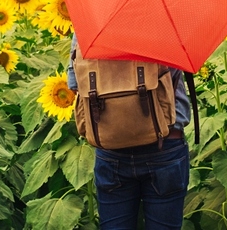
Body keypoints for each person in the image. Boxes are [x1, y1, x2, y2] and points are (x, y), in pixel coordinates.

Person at [67, 33, 191, 230]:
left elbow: (74, 84)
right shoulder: (165, 17)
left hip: (111, 147)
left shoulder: (90, 21)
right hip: (165, 146)